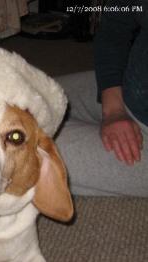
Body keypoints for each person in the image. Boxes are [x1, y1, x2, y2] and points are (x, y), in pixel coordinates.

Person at [55, 0, 148, 196]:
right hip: (130, 87)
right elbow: (115, 24)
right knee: (23, 94)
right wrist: (113, 108)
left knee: (19, 154)